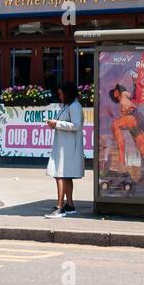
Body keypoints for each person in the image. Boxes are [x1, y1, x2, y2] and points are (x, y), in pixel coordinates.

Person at [43, 82, 84, 218]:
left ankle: (60, 206)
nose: (60, 97)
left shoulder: (75, 106)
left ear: (68, 93)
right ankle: (69, 205)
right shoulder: (69, 105)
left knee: (60, 175)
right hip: (64, 146)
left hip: (68, 147)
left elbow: (76, 125)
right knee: (65, 176)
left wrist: (57, 123)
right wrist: (56, 124)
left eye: (61, 94)